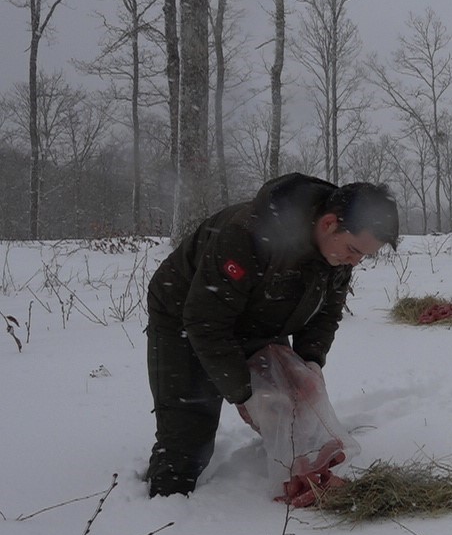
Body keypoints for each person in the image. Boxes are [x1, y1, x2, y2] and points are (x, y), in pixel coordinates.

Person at [144, 173, 399, 497]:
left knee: (295, 404)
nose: (355, 261)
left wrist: (310, 362)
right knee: (188, 438)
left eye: (363, 255)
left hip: (260, 317)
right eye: (353, 250)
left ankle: (299, 480)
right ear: (329, 224)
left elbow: (326, 314)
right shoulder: (248, 234)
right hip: (185, 317)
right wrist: (243, 391)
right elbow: (205, 321)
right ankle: (162, 506)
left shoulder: (338, 256)